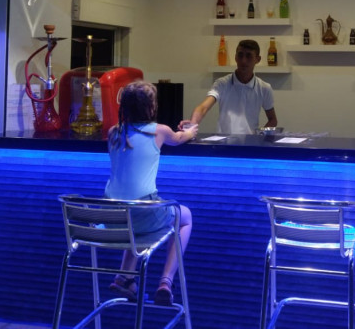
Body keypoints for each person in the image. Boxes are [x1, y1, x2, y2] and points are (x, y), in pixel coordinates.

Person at [104, 80, 198, 306]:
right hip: (143, 214)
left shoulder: (113, 132)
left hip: (112, 218)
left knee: (134, 216)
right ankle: (166, 281)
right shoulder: (160, 131)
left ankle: (125, 277)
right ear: (152, 107)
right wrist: (191, 130)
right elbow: (181, 138)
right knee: (184, 217)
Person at [181, 39, 277, 134]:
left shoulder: (264, 88)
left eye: (249, 56)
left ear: (257, 59)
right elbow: (203, 107)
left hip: (250, 141)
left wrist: (260, 135)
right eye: (240, 55)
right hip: (224, 141)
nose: (243, 60)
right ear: (235, 57)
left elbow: (272, 120)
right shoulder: (222, 83)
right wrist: (192, 124)